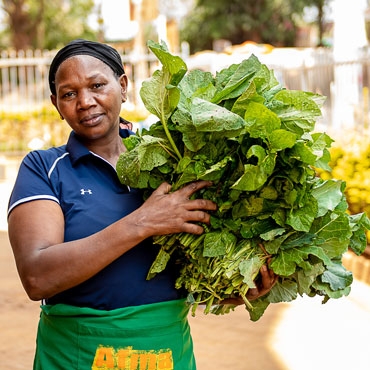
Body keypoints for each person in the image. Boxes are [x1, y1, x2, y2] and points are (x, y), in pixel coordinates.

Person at [7, 39, 277, 370]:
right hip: (75, 357)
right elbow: (37, 277)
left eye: (97, 85)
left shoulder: (174, 160)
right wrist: (144, 221)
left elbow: (186, 272)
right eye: (68, 94)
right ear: (56, 104)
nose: (85, 102)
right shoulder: (44, 168)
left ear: (122, 86)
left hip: (166, 355)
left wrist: (234, 289)